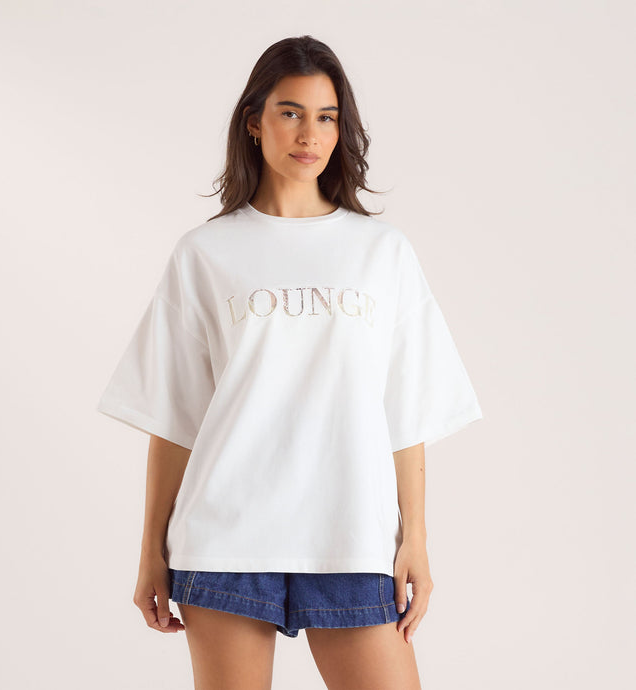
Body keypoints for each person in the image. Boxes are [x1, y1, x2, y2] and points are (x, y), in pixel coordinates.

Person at [97, 35, 483, 690]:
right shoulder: (205, 253)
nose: (310, 134)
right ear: (254, 122)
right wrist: (150, 551)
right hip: (225, 539)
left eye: (326, 116)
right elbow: (175, 417)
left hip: (352, 536)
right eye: (290, 112)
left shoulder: (382, 253)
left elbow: (407, 408)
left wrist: (414, 537)